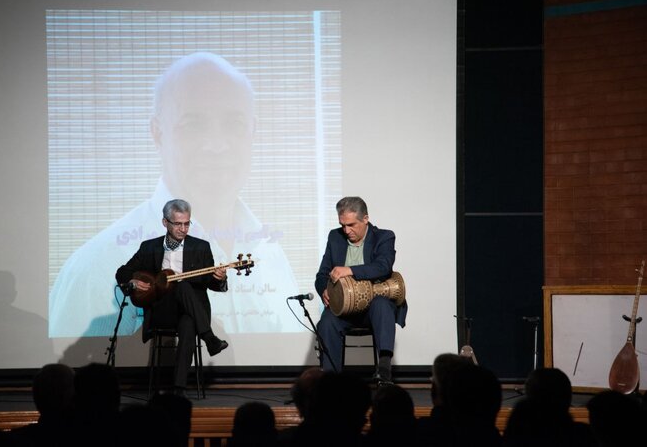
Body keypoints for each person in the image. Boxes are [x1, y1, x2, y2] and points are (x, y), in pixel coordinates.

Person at [49, 51, 301, 339]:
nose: (216, 145)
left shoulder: (271, 254)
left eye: (234, 124)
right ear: (157, 132)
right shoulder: (95, 268)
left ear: (252, 131)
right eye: (193, 124)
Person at [116, 199, 228, 393]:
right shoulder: (150, 247)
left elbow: (210, 283)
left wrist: (219, 278)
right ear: (165, 222)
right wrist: (132, 282)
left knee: (188, 322)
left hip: (190, 311)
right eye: (178, 223)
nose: (183, 229)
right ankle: (209, 337)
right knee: (181, 285)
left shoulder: (201, 247)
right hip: (162, 309)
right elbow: (123, 271)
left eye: (187, 223)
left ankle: (178, 389)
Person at [314, 196, 407, 385]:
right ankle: (331, 383)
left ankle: (384, 370)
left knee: (382, 304)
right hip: (344, 309)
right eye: (343, 225)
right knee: (327, 322)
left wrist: (350, 270)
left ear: (365, 219)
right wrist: (325, 289)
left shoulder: (384, 236)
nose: (346, 231)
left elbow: (383, 267)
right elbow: (322, 274)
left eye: (351, 225)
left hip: (372, 309)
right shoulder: (335, 237)